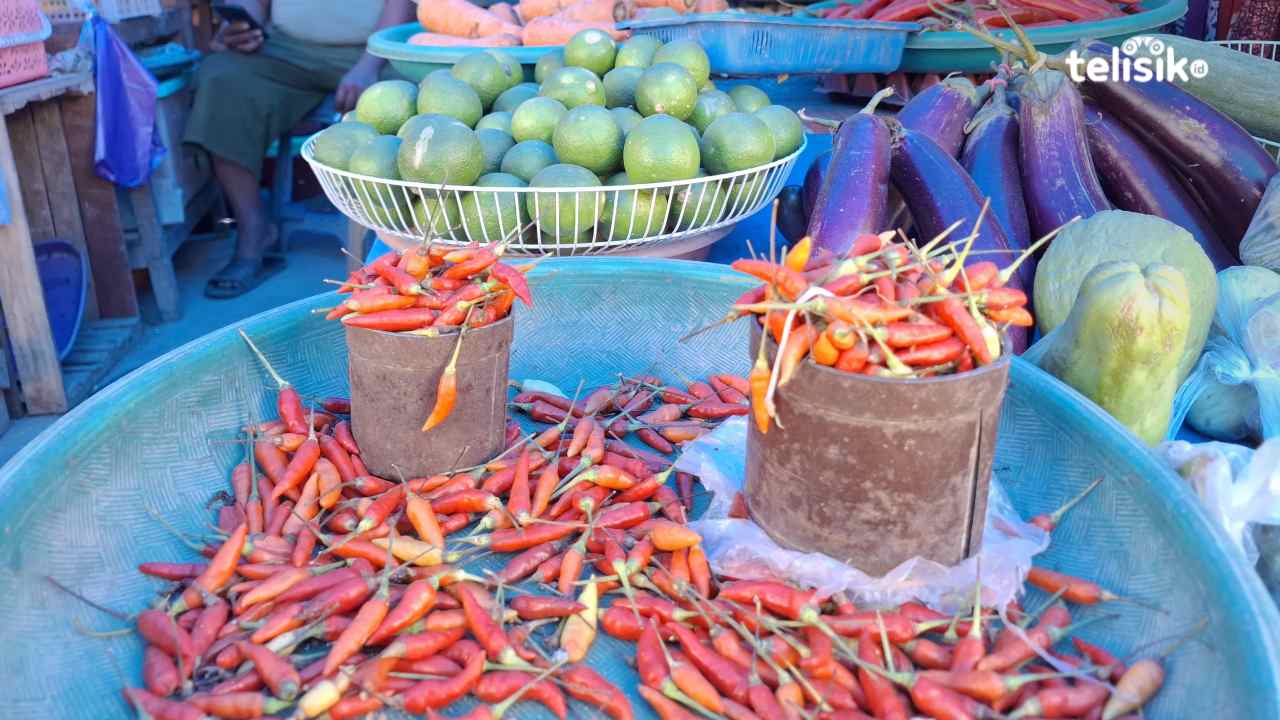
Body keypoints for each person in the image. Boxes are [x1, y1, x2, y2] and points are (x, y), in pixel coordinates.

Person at [185, 0, 415, 298]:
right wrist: (243, 29)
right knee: (220, 79)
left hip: (379, 52)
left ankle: (407, 250)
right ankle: (254, 230)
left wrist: (369, 65)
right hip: (287, 51)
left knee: (413, 98)